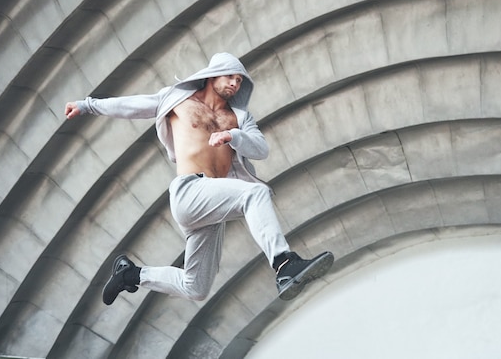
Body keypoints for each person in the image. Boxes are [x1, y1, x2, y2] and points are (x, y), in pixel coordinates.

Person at [65, 52, 333, 304]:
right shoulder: (178, 100)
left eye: (239, 81)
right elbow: (131, 106)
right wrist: (87, 105)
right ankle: (284, 264)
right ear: (213, 75)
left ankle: (130, 274)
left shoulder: (239, 118)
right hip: (189, 190)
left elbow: (261, 149)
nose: (234, 84)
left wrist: (233, 136)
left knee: (195, 287)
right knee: (255, 193)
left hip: (212, 206)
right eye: (229, 76)